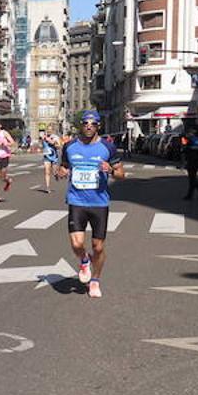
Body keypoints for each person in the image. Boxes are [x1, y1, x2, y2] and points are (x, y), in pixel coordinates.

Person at [54, 110, 125, 299]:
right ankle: (84, 260)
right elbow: (63, 167)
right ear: (81, 125)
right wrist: (60, 172)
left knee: (98, 247)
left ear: (98, 126)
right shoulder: (69, 147)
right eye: (86, 123)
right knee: (77, 244)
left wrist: (110, 170)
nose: (89, 126)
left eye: (93, 124)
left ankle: (95, 280)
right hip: (76, 201)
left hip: (99, 203)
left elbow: (121, 175)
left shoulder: (108, 148)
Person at [180, 130, 198, 201]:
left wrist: (186, 147)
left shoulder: (192, 140)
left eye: (188, 133)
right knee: (192, 179)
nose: (187, 135)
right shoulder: (194, 140)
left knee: (192, 179)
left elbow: (187, 149)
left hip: (193, 161)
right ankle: (191, 195)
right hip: (194, 161)